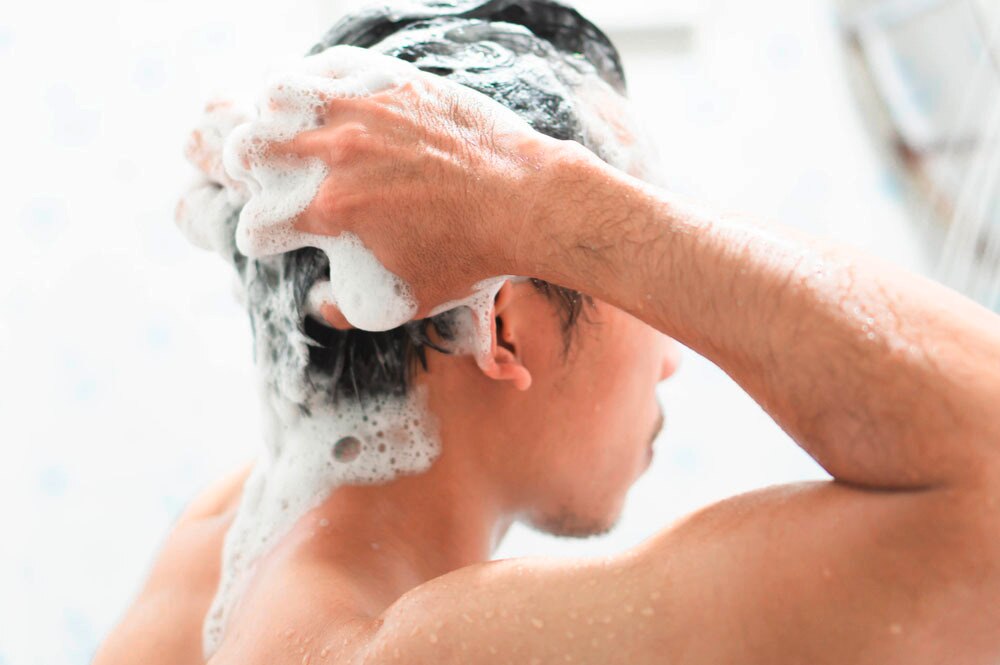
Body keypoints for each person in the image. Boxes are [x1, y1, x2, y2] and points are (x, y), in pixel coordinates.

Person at [96, 1, 1000, 664]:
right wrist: (526, 193)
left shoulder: (220, 545)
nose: (675, 358)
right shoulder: (406, 649)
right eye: (619, 272)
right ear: (505, 327)